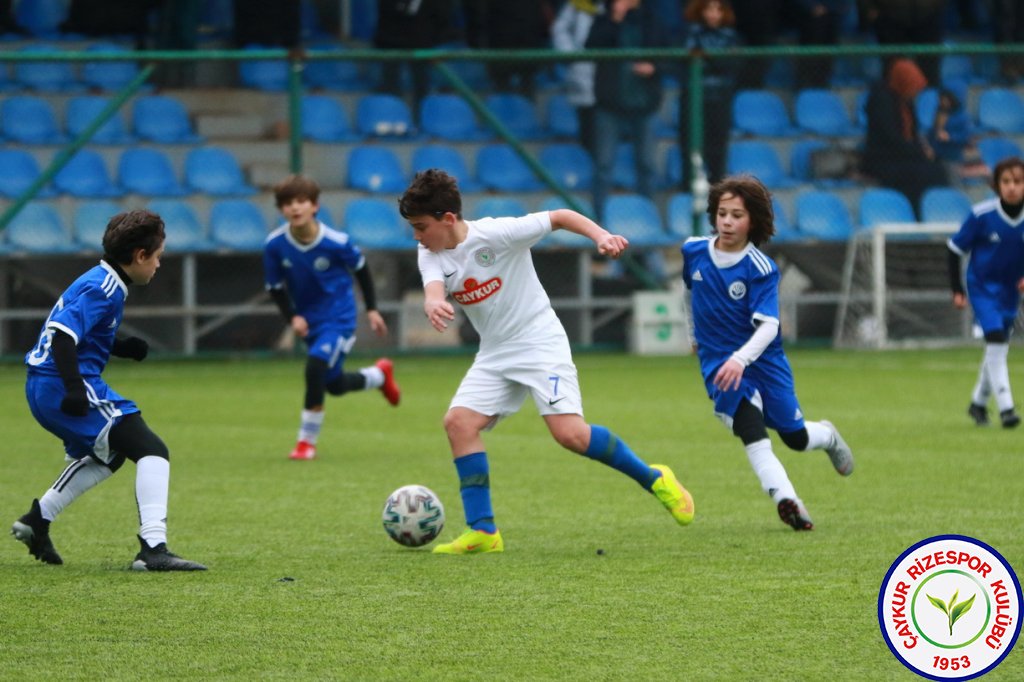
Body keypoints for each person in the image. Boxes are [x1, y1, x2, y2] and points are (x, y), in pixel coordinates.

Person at [399, 169, 695, 554]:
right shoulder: (430, 253)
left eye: (421, 227)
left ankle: (655, 478)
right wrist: (433, 301)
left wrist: (601, 236)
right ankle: (484, 531)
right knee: (459, 423)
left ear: (448, 219)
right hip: (495, 352)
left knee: (570, 435)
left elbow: (559, 217)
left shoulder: (498, 233)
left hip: (539, 342)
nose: (417, 237)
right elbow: (433, 285)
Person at [12, 209, 206, 571]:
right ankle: (153, 548)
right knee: (152, 449)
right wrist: (73, 390)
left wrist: (122, 346)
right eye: (158, 258)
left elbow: (82, 331)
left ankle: (37, 521)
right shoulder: (102, 287)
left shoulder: (104, 280)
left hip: (44, 386)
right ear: (140, 256)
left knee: (110, 455)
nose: (159, 266)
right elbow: (62, 336)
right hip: (61, 384)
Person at [680, 175, 854, 531]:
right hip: (719, 364)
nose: (727, 221)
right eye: (722, 213)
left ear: (753, 222)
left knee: (795, 437)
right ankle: (786, 498)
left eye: (737, 215)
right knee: (750, 427)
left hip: (763, 361)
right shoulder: (693, 251)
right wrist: (693, 333)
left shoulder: (759, 268)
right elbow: (688, 292)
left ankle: (827, 435)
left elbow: (770, 326)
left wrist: (741, 358)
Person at [263, 175, 401, 461]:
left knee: (315, 368)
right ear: (281, 210)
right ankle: (379, 375)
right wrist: (293, 318)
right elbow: (275, 288)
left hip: (339, 318)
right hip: (310, 320)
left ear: (315, 206)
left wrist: (372, 309)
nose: (295, 208)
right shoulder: (275, 246)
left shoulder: (337, 242)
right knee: (333, 384)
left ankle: (305, 443)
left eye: (301, 201)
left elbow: (361, 270)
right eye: (288, 203)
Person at [947, 157, 1024, 429]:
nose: (1012, 187)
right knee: (995, 339)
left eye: (1018, 181)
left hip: (1008, 292)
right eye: (1006, 182)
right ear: (997, 185)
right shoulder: (981, 215)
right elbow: (954, 249)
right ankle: (1007, 409)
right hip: (981, 288)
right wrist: (957, 289)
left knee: (997, 344)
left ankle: (978, 404)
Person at [586, 0, 671, 224]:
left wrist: (654, 68)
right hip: (609, 105)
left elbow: (669, 56)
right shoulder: (604, 20)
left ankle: (646, 219)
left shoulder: (652, 20)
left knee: (647, 165)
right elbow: (591, 48)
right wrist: (615, 20)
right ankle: (600, 223)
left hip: (645, 105)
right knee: (604, 166)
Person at [861, 57, 949, 218]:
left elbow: (913, 134)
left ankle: (934, 214)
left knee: (938, 169)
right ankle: (914, 214)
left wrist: (923, 150)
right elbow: (891, 139)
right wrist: (918, 152)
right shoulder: (882, 101)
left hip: (904, 155)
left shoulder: (906, 102)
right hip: (883, 157)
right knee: (916, 175)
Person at [679, 0, 740, 187]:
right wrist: (716, 58)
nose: (713, 14)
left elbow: (732, 65)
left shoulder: (732, 36)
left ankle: (717, 188)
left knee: (718, 146)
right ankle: (689, 187)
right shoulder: (690, 33)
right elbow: (686, 63)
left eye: (718, 10)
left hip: (720, 98)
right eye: (709, 9)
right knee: (691, 145)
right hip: (694, 99)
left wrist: (706, 56)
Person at [550, 0, 601, 155]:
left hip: (611, 79)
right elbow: (559, 30)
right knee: (588, 128)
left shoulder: (616, 5)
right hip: (582, 75)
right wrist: (571, 54)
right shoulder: (576, 5)